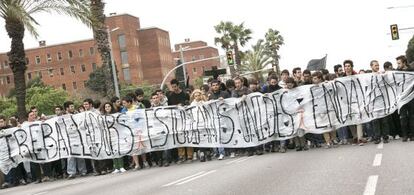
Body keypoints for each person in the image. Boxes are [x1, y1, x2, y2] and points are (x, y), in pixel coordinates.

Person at [167, 79, 191, 163]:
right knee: (179, 137)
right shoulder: (170, 96)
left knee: (187, 136)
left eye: (175, 87)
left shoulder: (185, 94)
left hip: (186, 118)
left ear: (178, 85)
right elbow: (169, 107)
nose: (174, 88)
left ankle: (189, 155)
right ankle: (181, 156)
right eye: (172, 87)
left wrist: (182, 104)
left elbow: (189, 104)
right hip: (176, 120)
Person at [100, 102, 126, 174]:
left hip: (116, 134)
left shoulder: (115, 115)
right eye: (106, 107)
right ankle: (116, 167)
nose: (107, 108)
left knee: (118, 149)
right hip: (108, 135)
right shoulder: (102, 117)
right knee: (112, 151)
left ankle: (121, 166)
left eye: (109, 106)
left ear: (111, 107)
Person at [207, 79, 230, 160]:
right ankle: (220, 152)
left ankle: (230, 150)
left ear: (219, 85)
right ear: (211, 87)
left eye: (216, 85)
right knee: (218, 136)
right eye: (213, 85)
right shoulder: (209, 95)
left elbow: (231, 103)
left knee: (227, 134)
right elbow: (207, 106)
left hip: (225, 117)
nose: (215, 86)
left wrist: (224, 101)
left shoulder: (225, 93)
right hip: (215, 119)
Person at [64, 101, 88, 179]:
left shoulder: (77, 115)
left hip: (78, 136)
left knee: (80, 154)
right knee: (70, 155)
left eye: (73, 106)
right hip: (69, 138)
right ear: (67, 108)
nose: (73, 108)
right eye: (71, 107)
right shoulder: (63, 117)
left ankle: (83, 171)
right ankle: (71, 172)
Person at [370, 60, 390, 144]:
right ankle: (377, 137)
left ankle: (385, 136)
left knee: (384, 120)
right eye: (375, 65)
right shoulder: (368, 76)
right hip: (373, 101)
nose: (377, 67)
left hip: (382, 100)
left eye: (378, 65)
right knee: (375, 121)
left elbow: (388, 83)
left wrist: (384, 75)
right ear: (371, 66)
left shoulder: (382, 75)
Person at [396, 55, 414, 142]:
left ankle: (412, 135)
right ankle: (405, 135)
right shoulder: (396, 72)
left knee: (412, 117)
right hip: (402, 99)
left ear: (404, 62)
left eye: (399, 63)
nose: (398, 65)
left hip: (411, 97)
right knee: (403, 117)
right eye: (397, 63)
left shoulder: (411, 71)